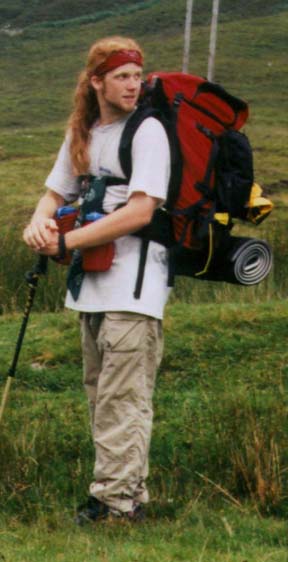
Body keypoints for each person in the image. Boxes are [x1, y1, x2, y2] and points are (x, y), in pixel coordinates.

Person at [23, 36, 171, 524]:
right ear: (96, 82)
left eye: (137, 75)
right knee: (100, 395)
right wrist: (40, 223)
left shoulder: (148, 131)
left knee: (121, 398)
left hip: (135, 284)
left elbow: (141, 211)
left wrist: (67, 243)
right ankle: (125, 495)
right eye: (122, 76)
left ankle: (115, 504)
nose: (134, 85)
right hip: (91, 285)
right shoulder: (83, 132)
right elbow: (53, 193)